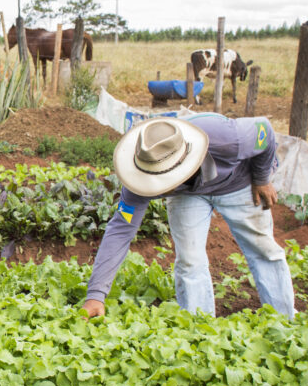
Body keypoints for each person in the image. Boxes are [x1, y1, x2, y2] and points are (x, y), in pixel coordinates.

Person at [82, 113, 295, 318]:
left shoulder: (227, 138)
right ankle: (199, 327)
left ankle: (283, 320)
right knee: (190, 260)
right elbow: (122, 227)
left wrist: (261, 178)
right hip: (187, 194)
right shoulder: (142, 175)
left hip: (237, 184)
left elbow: (264, 131)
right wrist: (96, 296)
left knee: (263, 249)